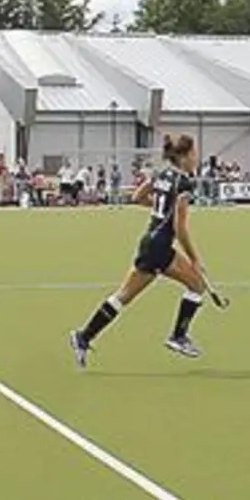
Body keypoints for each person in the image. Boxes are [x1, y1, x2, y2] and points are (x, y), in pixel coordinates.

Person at [69, 134, 211, 366]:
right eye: (194, 154)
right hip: (159, 246)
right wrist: (195, 258)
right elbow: (180, 227)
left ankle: (83, 337)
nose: (196, 158)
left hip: (150, 242)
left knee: (122, 296)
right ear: (184, 157)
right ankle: (178, 336)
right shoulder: (184, 183)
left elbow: (137, 196)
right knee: (196, 285)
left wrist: (159, 210)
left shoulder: (160, 174)